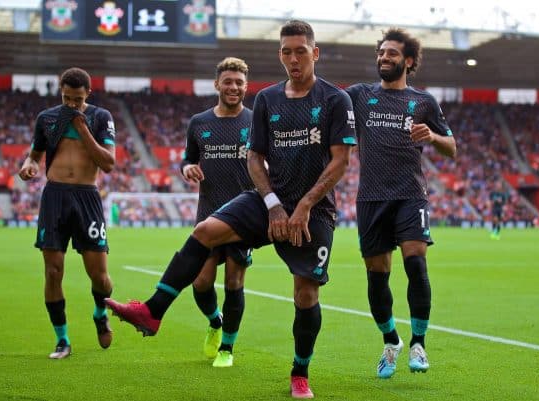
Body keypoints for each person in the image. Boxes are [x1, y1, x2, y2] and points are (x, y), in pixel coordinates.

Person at [106, 20, 356, 399]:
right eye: (286, 51)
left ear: (314, 53)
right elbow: (255, 157)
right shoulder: (269, 100)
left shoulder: (335, 100)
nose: (293, 58)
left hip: (314, 211)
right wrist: (272, 203)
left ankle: (299, 374)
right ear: (279, 55)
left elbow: (340, 161)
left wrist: (304, 205)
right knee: (205, 231)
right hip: (268, 199)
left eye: (300, 51)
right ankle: (153, 311)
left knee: (305, 295)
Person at [346, 28, 457, 379]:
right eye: (381, 53)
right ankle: (391, 341)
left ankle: (418, 343)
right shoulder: (360, 96)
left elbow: (451, 148)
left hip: (411, 194)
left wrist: (433, 135)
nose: (384, 58)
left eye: (391, 53)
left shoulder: (424, 101)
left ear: (408, 61)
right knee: (377, 278)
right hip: (371, 198)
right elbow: (325, 101)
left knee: (416, 264)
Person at [19, 67, 117, 359]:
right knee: (52, 272)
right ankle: (62, 340)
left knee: (100, 278)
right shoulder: (47, 118)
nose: (71, 104)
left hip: (87, 197)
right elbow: (35, 154)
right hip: (55, 197)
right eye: (66, 98)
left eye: (76, 98)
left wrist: (82, 126)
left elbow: (109, 163)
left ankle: (100, 313)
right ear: (60, 92)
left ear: (88, 93)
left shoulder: (101, 117)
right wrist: (29, 166)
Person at [180, 57, 254, 367]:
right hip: (208, 213)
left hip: (244, 215)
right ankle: (215, 321)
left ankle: (227, 348)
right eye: (228, 81)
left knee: (235, 282)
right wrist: (187, 168)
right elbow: (188, 158)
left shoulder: (255, 120)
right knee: (201, 282)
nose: (234, 87)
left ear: (246, 86)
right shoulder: (199, 122)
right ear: (217, 84)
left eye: (239, 82)